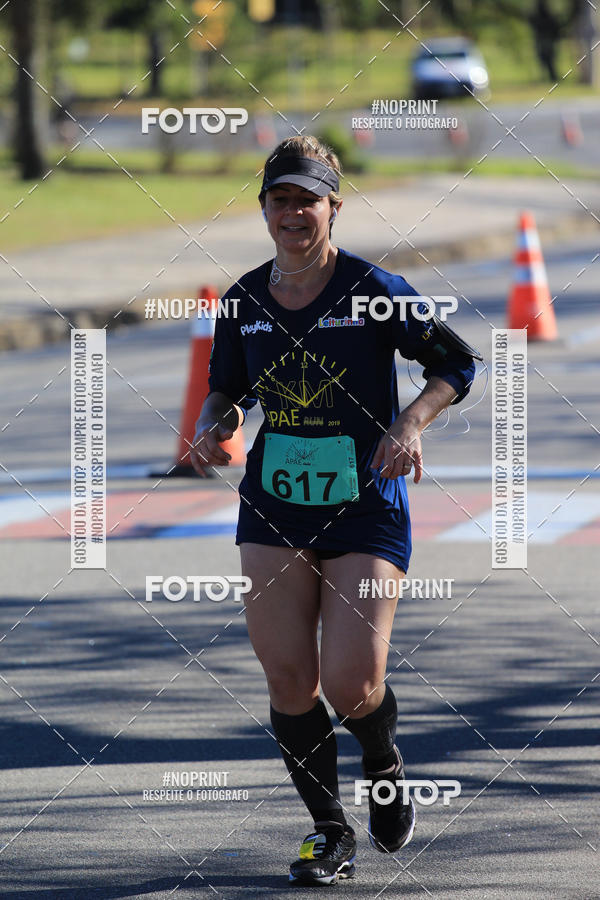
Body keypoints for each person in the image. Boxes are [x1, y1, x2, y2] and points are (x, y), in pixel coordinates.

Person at [190, 135, 479, 887]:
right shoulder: (245, 298)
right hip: (276, 503)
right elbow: (227, 386)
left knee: (351, 685)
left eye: (306, 200)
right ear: (263, 210)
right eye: (278, 199)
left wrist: (410, 422)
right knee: (289, 679)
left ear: (333, 208)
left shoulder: (371, 286)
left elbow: (454, 363)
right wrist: (214, 419)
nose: (292, 213)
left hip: (365, 501)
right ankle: (328, 832)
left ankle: (383, 765)